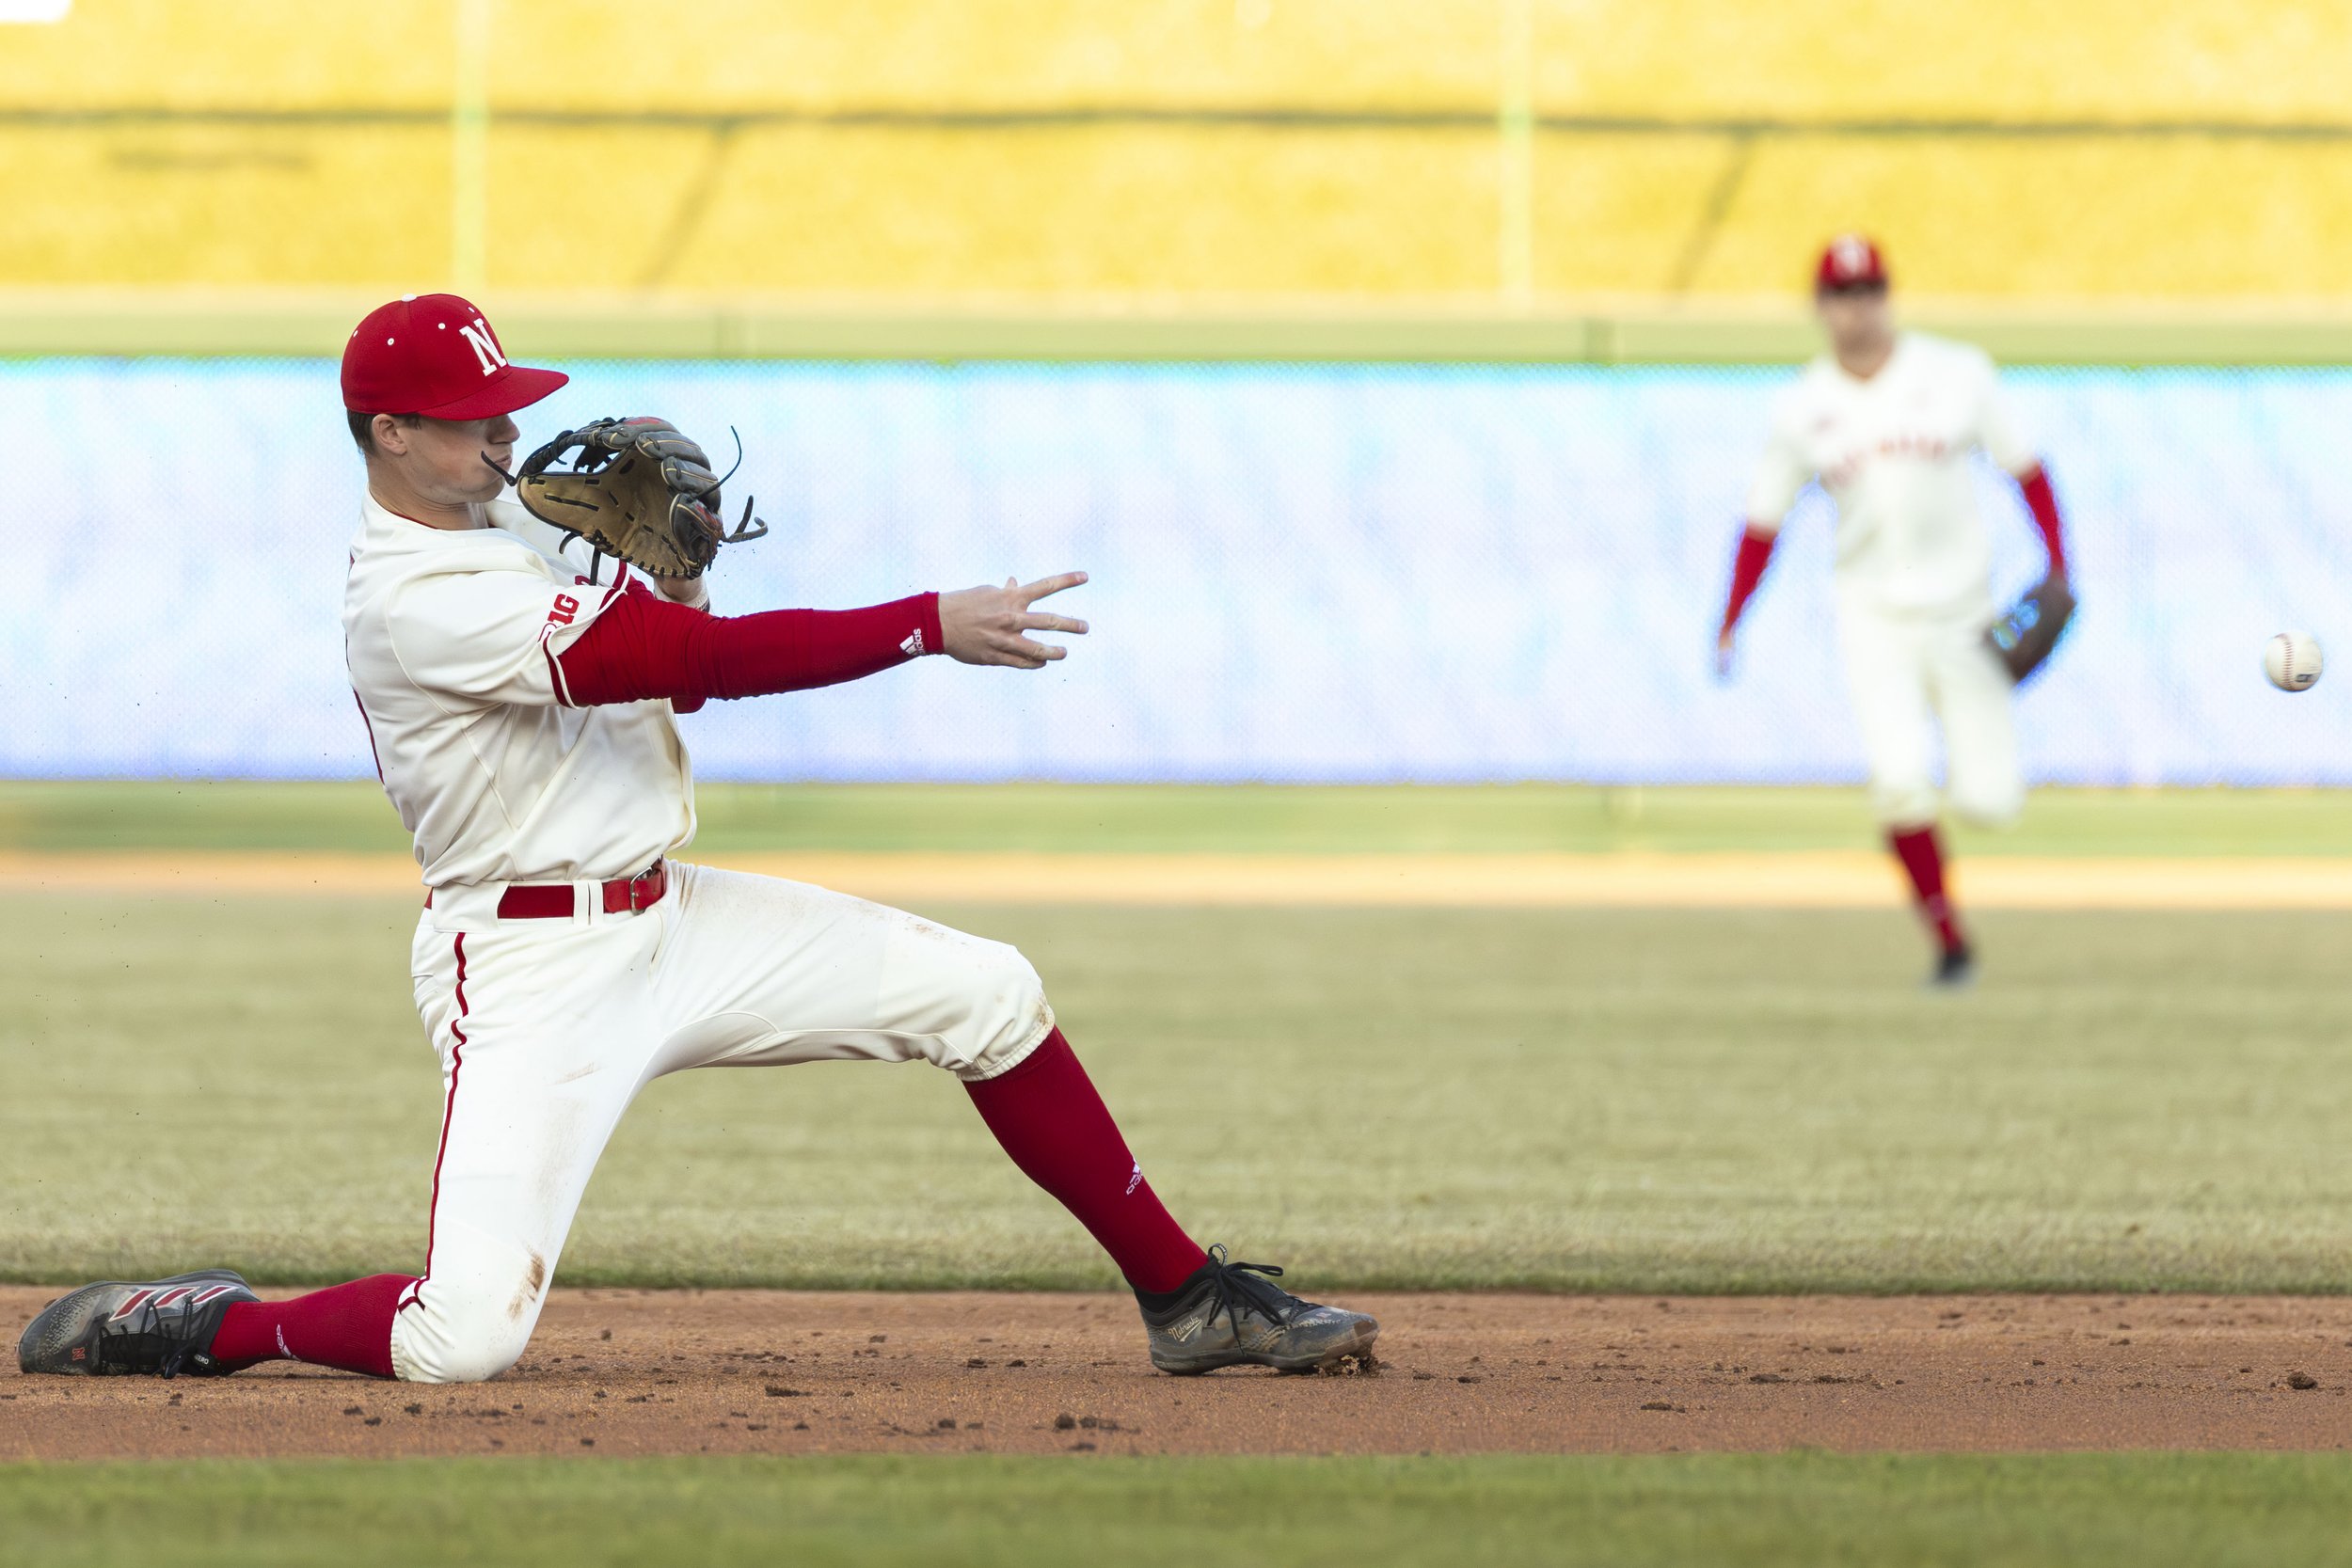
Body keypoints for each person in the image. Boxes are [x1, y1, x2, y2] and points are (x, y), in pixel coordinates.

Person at [18, 293, 1376, 1383]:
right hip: (530, 963)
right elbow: (691, 661)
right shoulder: (412, 596)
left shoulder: (514, 528)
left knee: (989, 992)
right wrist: (922, 623)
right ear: (387, 434)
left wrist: (679, 556)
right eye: (472, 421)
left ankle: (1191, 1300)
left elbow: (666, 652)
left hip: (672, 918)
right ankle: (205, 1324)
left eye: (508, 409)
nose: (505, 439)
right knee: (462, 1339)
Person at [1715, 237, 2072, 986]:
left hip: (1966, 611)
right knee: (1900, 780)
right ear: (1821, 307)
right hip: (1871, 614)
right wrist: (1733, 615)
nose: (1857, 307)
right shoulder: (1800, 406)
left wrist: (2059, 562)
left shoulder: (1957, 373)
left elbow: (2027, 469)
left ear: (1889, 295)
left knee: (1989, 801)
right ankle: (1950, 942)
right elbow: (1763, 523)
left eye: (1870, 290)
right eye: (1843, 294)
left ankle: (2006, 678)